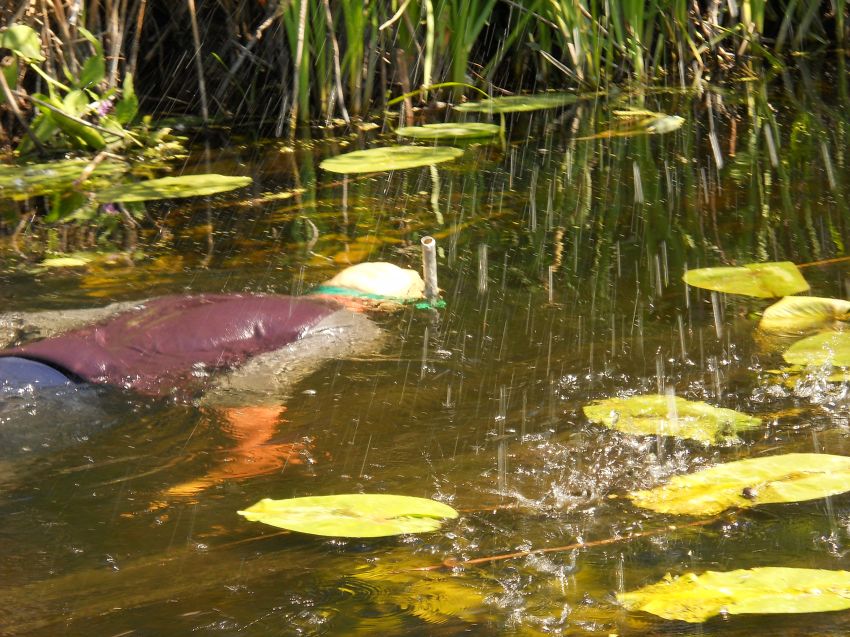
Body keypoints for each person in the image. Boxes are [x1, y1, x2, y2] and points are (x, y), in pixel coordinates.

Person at [0, 261, 426, 494]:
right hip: (68, 397)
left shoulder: (201, 298)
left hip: (16, 367)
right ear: (382, 310)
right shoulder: (349, 327)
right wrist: (252, 448)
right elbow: (247, 385)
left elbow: (38, 321)